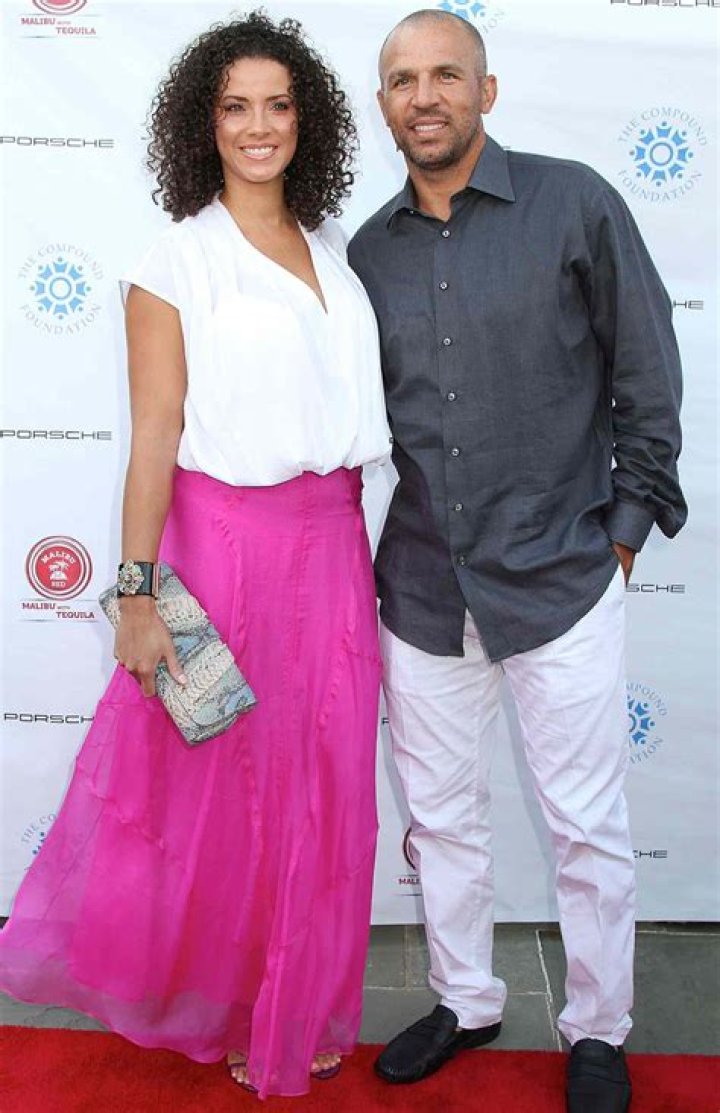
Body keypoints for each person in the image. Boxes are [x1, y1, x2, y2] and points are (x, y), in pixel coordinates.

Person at [0, 11, 392, 1099]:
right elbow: (154, 435)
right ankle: (229, 1005)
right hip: (226, 549)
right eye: (235, 107)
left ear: (307, 120)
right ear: (203, 125)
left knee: (324, 782)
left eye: (278, 105)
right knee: (228, 789)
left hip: (334, 548)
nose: (259, 126)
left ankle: (295, 1001)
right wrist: (135, 595)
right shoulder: (174, 258)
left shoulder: (331, 250)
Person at [348, 10, 686, 1113]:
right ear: (384, 103)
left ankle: (598, 1029)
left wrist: (620, 540)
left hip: (562, 579)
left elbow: (648, 378)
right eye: (404, 80)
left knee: (586, 827)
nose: (425, 96)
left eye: (447, 74)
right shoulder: (367, 254)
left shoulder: (574, 202)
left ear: (485, 91)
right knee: (441, 818)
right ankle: (466, 999)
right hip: (422, 589)